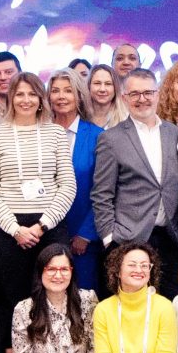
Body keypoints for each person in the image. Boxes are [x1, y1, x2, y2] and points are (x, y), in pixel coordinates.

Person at [93, 70, 178, 288]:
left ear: (158, 94)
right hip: (128, 239)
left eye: (148, 93)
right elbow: (101, 194)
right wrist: (109, 238)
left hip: (171, 238)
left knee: (170, 303)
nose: (142, 99)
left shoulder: (176, 134)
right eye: (134, 94)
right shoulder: (111, 139)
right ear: (124, 98)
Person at [45, 70, 105, 291]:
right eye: (55, 91)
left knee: (83, 297)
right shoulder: (40, 133)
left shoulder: (97, 136)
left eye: (68, 91)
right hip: (44, 233)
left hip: (82, 238)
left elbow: (104, 189)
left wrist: (86, 233)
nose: (61, 96)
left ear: (79, 96)